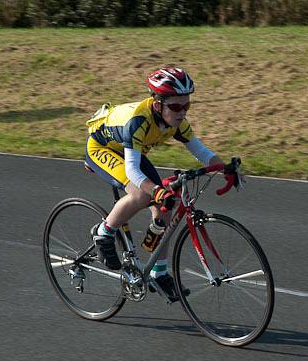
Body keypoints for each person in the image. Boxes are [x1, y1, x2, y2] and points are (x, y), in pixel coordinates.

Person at [85, 66, 225, 301]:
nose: (182, 113)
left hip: (130, 153)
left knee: (165, 206)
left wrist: (227, 169)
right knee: (142, 195)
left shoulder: (177, 121)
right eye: (176, 107)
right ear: (157, 104)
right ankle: (103, 232)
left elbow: (202, 152)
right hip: (102, 148)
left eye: (186, 106)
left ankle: (159, 274)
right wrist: (156, 190)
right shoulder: (138, 121)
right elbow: (132, 170)